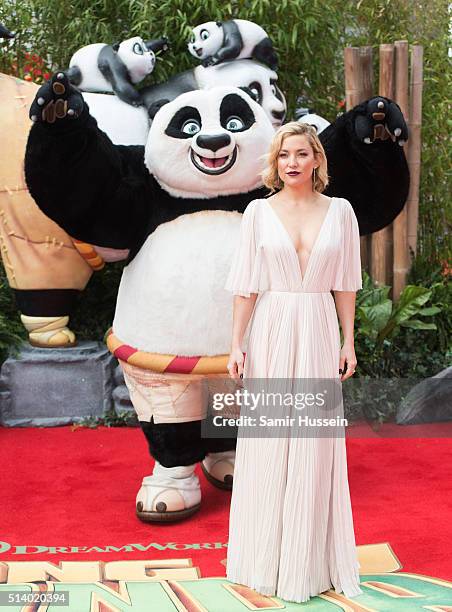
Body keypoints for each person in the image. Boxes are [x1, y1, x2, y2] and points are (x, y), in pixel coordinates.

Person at [224, 122, 363, 603]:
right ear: (275, 162)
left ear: (317, 160)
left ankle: (309, 562)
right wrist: (236, 343)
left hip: (320, 326)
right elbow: (246, 286)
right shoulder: (257, 213)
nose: (293, 163)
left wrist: (349, 341)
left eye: (302, 153)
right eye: (285, 155)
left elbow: (346, 282)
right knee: (269, 442)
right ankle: (264, 558)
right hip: (272, 327)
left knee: (313, 443)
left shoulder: (340, 212)